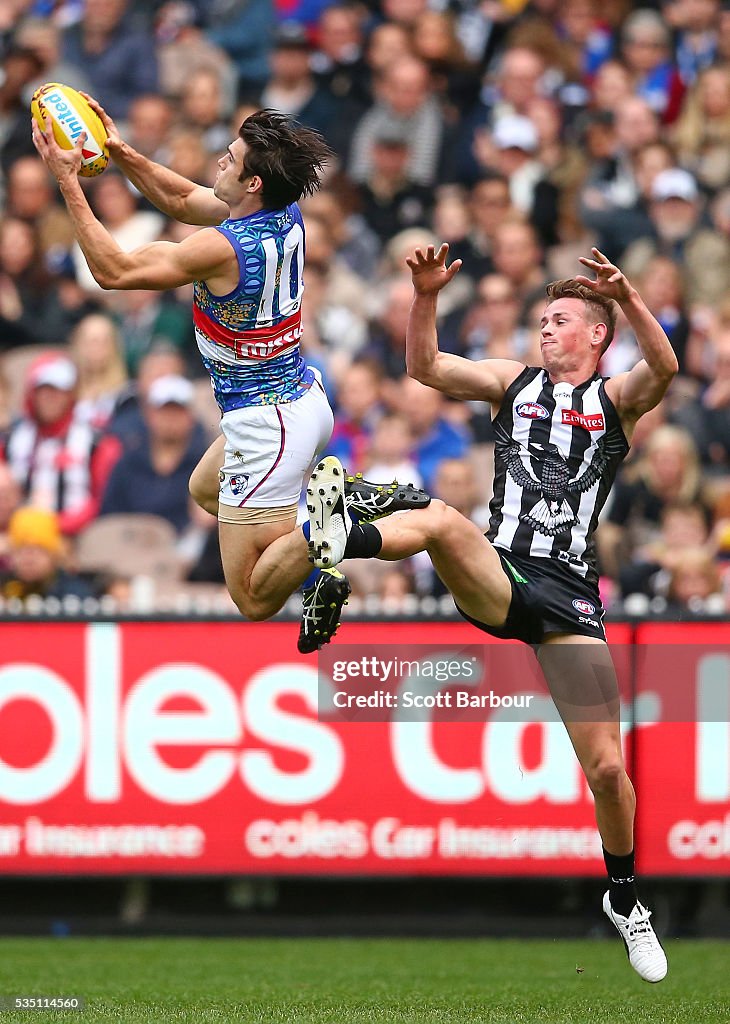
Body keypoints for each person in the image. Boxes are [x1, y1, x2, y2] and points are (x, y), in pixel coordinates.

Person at [302, 244, 675, 981]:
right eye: (541, 319)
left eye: (559, 320)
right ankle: (346, 535)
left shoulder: (613, 400)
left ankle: (626, 903)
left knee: (607, 770)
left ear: (596, 336)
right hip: (499, 571)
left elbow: (663, 369)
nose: (544, 329)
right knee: (441, 520)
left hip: (570, 594)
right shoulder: (514, 383)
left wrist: (629, 297)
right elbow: (426, 368)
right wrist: (425, 294)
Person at [32, 104, 427, 652]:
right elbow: (178, 198)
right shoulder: (282, 214)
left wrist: (68, 182)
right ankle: (325, 513)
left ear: (253, 182)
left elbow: (113, 271)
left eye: (231, 159)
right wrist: (121, 153)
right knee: (203, 487)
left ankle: (327, 529)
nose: (220, 161)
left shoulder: (223, 247)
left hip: (266, 425)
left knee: (252, 597)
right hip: (301, 399)